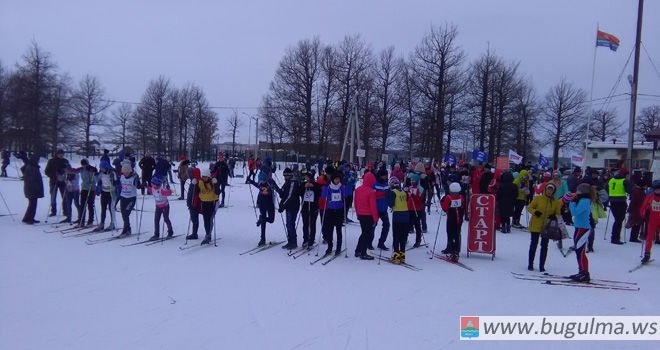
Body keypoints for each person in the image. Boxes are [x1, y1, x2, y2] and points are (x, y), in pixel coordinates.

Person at [527, 182, 561, 272]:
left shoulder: (556, 202)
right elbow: (530, 208)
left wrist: (554, 216)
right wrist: (535, 212)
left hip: (547, 226)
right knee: (534, 244)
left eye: (551, 190)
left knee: (544, 246)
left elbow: (558, 214)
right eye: (548, 189)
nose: (549, 191)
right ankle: (530, 264)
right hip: (536, 224)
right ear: (545, 189)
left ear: (553, 191)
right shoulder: (538, 198)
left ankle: (542, 266)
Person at [569, 183, 593, 282]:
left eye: (578, 190)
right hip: (579, 227)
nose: (576, 192)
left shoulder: (585, 201)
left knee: (580, 251)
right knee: (578, 251)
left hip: (583, 228)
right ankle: (581, 271)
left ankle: (585, 273)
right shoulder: (583, 200)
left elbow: (574, 212)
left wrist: (572, 202)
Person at [250, 171, 279, 246]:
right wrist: (251, 181)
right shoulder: (260, 184)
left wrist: (278, 191)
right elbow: (257, 185)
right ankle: (262, 239)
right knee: (263, 222)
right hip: (262, 204)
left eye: (262, 180)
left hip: (270, 204)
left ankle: (262, 218)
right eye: (260, 181)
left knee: (271, 220)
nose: (261, 182)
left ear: (265, 179)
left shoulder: (270, 183)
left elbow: (274, 188)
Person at [353, 172, 378, 260]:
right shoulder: (371, 192)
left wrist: (357, 214)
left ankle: (358, 250)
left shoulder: (358, 190)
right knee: (366, 234)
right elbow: (373, 207)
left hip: (361, 215)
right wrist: (375, 218)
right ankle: (363, 253)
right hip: (368, 216)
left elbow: (355, 203)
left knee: (364, 233)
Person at [321, 172, 345, 256]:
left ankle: (338, 248)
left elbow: (345, 195)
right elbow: (323, 196)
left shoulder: (341, 186)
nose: (337, 180)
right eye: (335, 179)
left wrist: (344, 187)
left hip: (339, 210)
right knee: (329, 230)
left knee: (339, 230)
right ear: (332, 179)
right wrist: (325, 187)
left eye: (338, 179)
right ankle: (330, 247)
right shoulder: (329, 187)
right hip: (330, 210)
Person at [387, 176, 410, 264]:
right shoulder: (403, 192)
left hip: (398, 215)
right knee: (403, 236)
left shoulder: (393, 192)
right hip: (406, 215)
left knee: (396, 235)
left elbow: (391, 204)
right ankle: (402, 254)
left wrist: (387, 195)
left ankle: (396, 255)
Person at [277, 167, 301, 249]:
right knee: (288, 224)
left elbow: (290, 196)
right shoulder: (286, 182)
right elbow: (283, 193)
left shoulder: (293, 182)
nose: (284, 177)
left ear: (289, 175)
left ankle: (294, 242)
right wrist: (277, 189)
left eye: (286, 176)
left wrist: (282, 206)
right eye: (284, 176)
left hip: (293, 206)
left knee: (291, 224)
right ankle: (290, 241)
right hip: (288, 206)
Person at [441, 182, 465, 261]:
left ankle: (453, 250)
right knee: (457, 234)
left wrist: (442, 202)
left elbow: (445, 208)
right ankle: (455, 250)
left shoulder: (448, 197)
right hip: (459, 219)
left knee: (450, 233)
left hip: (451, 218)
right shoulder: (461, 197)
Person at [118, 162, 141, 237]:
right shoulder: (121, 177)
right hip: (123, 197)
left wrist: (140, 182)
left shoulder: (133, 178)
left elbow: (138, 186)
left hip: (131, 198)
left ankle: (126, 230)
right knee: (123, 214)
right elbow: (117, 183)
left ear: (130, 171)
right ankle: (127, 229)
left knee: (126, 213)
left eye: (127, 172)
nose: (125, 174)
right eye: (124, 172)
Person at [639, 180, 660, 264]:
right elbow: (643, 206)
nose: (658, 191)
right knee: (649, 238)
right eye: (656, 190)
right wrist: (643, 214)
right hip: (652, 220)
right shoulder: (650, 196)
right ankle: (647, 254)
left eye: (659, 190)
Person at [44, 149, 70, 217]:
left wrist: (67, 175)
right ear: (57, 154)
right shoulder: (52, 161)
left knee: (64, 196)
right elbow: (46, 171)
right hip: (53, 181)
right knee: (53, 197)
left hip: (63, 181)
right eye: (59, 154)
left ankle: (65, 211)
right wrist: (53, 176)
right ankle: (53, 211)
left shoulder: (65, 161)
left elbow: (70, 170)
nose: (61, 155)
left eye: (62, 154)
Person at [19, 153, 44, 224]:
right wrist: (36, 188)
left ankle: (29, 218)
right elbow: (32, 180)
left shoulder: (33, 167)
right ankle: (28, 218)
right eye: (38, 160)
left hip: (32, 189)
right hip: (31, 189)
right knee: (32, 204)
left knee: (32, 204)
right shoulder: (31, 168)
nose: (39, 161)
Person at [147, 176, 174, 241]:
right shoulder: (153, 189)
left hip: (165, 206)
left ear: (156, 184)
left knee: (166, 218)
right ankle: (156, 234)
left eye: (152, 184)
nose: (151, 184)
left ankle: (170, 231)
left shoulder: (162, 190)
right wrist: (146, 186)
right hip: (158, 206)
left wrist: (168, 189)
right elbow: (150, 191)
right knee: (156, 220)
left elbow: (169, 193)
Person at [608, 169, 630, 244]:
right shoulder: (624, 181)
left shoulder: (611, 180)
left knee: (617, 219)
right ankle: (615, 238)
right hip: (621, 201)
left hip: (612, 201)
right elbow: (629, 190)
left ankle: (614, 237)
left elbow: (606, 189)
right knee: (619, 220)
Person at [94, 160, 117, 232]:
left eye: (103, 168)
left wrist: (112, 180)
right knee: (103, 208)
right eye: (101, 168)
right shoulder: (101, 174)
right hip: (104, 192)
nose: (102, 169)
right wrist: (95, 175)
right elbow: (97, 181)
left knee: (111, 209)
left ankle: (113, 223)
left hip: (111, 193)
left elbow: (116, 181)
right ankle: (102, 223)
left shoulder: (112, 173)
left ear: (106, 167)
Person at [300, 171, 321, 248]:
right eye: (306, 177)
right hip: (305, 207)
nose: (306, 179)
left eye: (308, 177)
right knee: (305, 224)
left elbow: (319, 193)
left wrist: (313, 186)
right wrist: (304, 187)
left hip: (313, 207)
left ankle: (311, 240)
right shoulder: (303, 184)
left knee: (312, 224)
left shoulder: (316, 185)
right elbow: (300, 192)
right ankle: (305, 239)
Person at [198, 167, 219, 245]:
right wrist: (193, 183)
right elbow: (195, 191)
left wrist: (216, 184)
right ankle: (207, 233)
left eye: (205, 176)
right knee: (205, 219)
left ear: (208, 176)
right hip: (204, 203)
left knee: (210, 219)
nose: (204, 178)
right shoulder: (200, 183)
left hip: (213, 202)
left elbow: (218, 192)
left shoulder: (212, 182)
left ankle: (208, 236)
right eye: (203, 176)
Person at [372, 168, 391, 251]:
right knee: (373, 226)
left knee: (387, 225)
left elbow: (389, 194)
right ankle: (369, 242)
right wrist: (383, 194)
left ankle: (381, 242)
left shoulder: (386, 184)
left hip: (384, 209)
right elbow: (373, 196)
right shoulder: (375, 184)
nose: (386, 177)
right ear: (380, 176)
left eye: (386, 175)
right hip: (375, 209)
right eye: (384, 175)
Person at [407, 173, 425, 247]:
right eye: (411, 180)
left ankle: (418, 240)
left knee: (417, 224)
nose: (412, 181)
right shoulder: (409, 188)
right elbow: (407, 198)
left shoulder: (420, 189)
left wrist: (413, 196)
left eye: (413, 180)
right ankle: (405, 239)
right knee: (407, 225)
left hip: (417, 209)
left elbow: (420, 199)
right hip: (409, 208)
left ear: (417, 180)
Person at [78, 159, 97, 227]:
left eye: (85, 165)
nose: (84, 166)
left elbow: (95, 179)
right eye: (83, 165)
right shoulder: (82, 169)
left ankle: (90, 221)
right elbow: (74, 171)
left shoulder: (91, 169)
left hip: (91, 189)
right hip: (84, 189)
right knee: (82, 205)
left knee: (90, 205)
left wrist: (92, 184)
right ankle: (81, 221)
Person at [627, 175, 646, 243]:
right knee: (636, 223)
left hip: (637, 208)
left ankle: (634, 237)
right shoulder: (638, 191)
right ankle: (633, 237)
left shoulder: (637, 190)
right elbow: (634, 201)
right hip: (637, 209)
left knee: (637, 223)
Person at [186, 168, 202, 240]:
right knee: (193, 218)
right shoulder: (193, 181)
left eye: (190, 174)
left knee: (194, 219)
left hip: (195, 204)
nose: (189, 175)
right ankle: (194, 233)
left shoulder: (198, 182)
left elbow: (197, 193)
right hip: (192, 203)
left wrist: (192, 202)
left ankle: (194, 234)